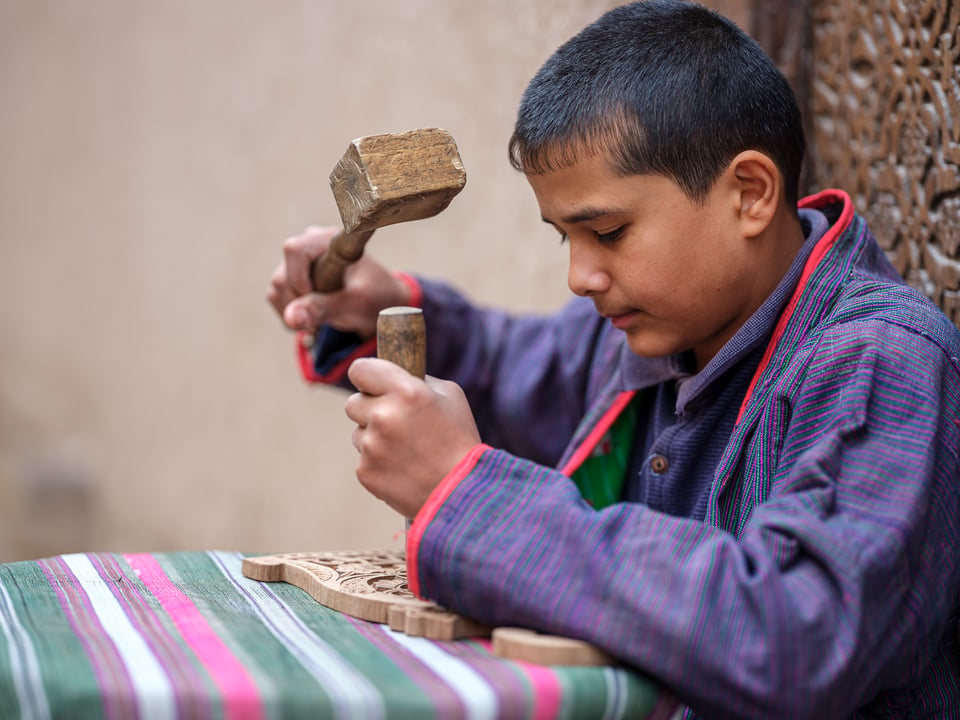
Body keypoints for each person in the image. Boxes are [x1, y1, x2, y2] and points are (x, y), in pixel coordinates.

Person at [267, 1, 960, 717]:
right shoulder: (646, 330)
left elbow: (796, 634)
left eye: (609, 232)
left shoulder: (881, 364)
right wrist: (383, 304)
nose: (581, 276)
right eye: (563, 238)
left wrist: (467, 493)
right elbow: (510, 367)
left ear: (749, 195)